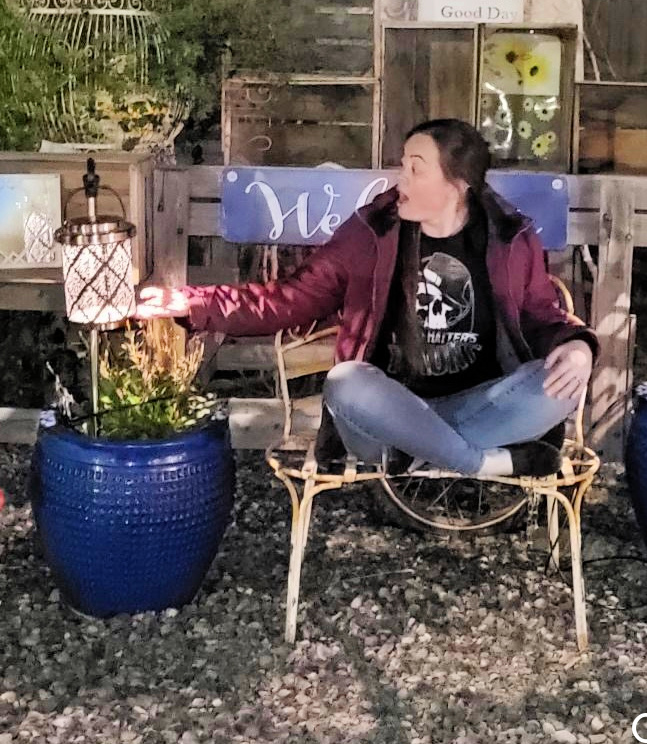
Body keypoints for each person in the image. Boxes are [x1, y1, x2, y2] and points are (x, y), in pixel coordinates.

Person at [132, 118, 596, 477]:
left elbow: (540, 314)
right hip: (384, 415)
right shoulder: (372, 232)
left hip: (476, 407)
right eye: (402, 166)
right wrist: (193, 303)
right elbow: (291, 298)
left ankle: (426, 455)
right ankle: (479, 462)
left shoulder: (509, 238)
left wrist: (576, 346)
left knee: (556, 383)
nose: (401, 181)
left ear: (458, 185)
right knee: (346, 380)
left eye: (415, 169)